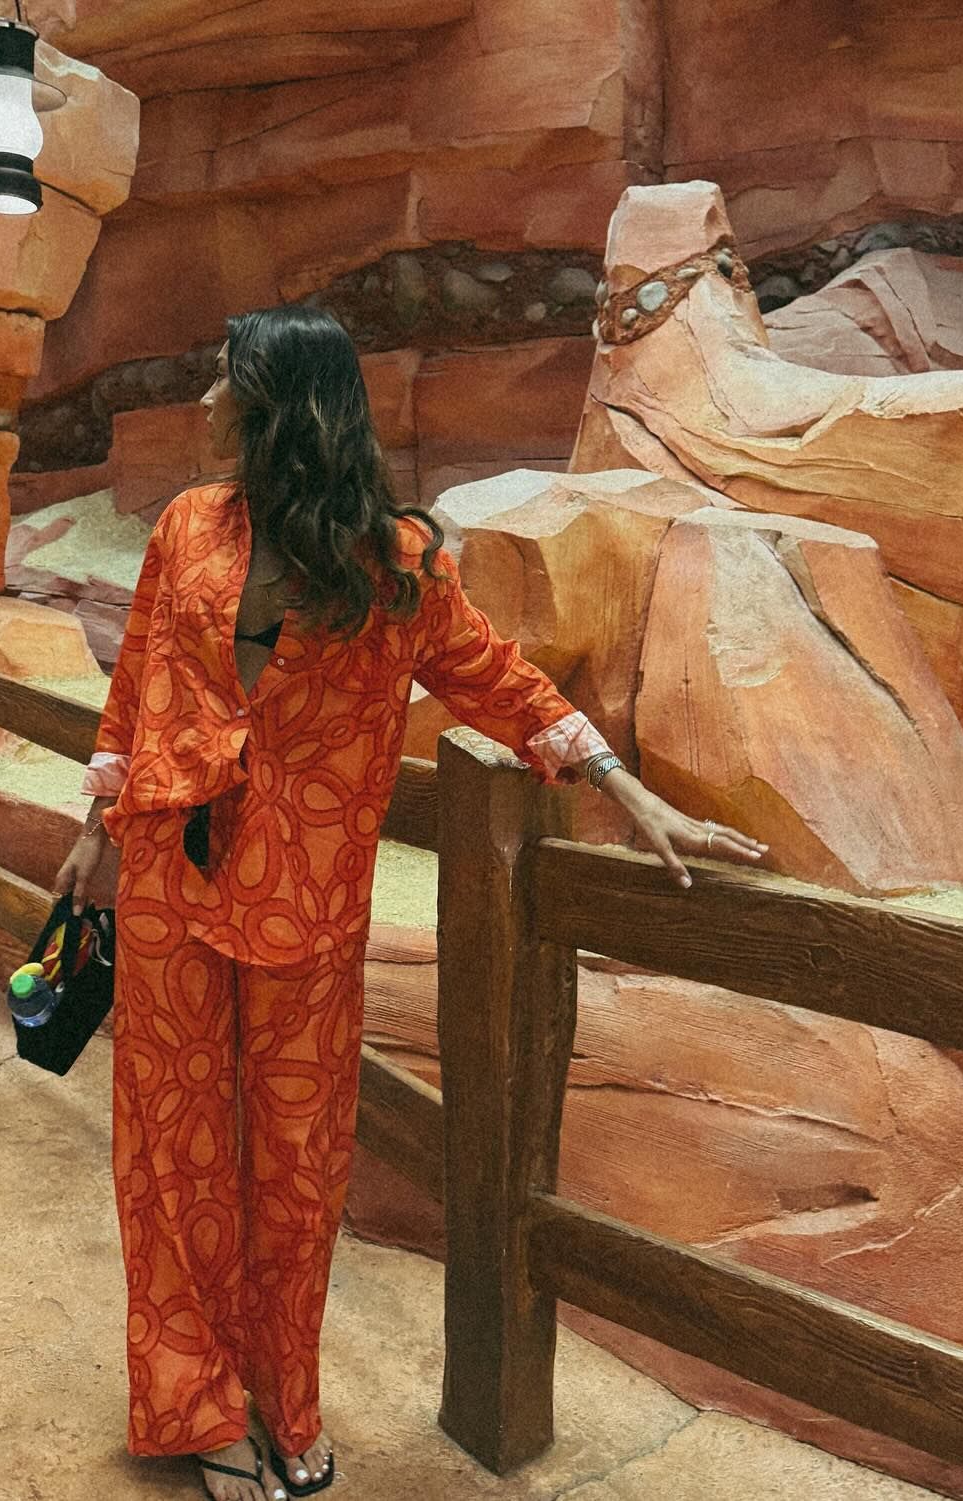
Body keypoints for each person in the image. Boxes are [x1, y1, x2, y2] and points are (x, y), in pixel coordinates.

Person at [52, 306, 769, 1501]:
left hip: (307, 906)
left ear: (281, 409)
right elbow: (136, 686)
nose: (206, 402)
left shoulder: (397, 566)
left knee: (297, 1169)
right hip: (172, 877)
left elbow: (502, 680)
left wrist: (623, 784)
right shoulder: (186, 527)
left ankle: (285, 1399)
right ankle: (197, 1406)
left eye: (226, 382)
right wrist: (94, 831)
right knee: (170, 1155)